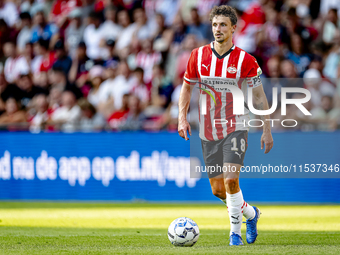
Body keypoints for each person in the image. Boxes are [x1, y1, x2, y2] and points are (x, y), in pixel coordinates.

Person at [177, 5, 274, 246]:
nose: (218, 29)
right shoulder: (197, 56)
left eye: (222, 25)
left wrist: (266, 129)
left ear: (233, 28)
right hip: (208, 130)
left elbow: (260, 97)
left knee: (232, 180)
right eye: (214, 25)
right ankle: (251, 214)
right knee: (218, 190)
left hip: (236, 125)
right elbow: (187, 87)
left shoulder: (246, 60)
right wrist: (182, 117)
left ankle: (235, 235)